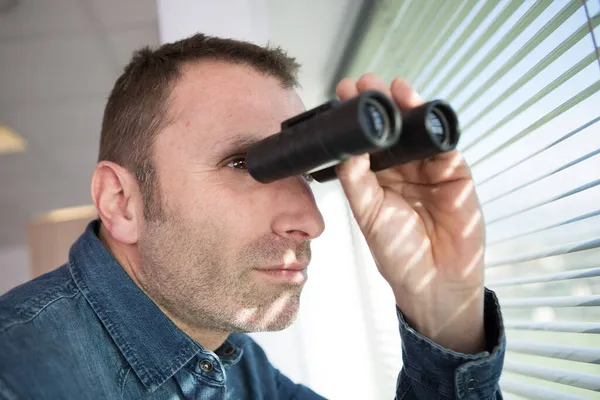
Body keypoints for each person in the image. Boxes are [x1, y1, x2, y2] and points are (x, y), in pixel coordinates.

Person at [0, 33, 505, 399]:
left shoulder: (236, 365)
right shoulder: (19, 375)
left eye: (306, 170)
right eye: (244, 163)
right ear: (121, 202)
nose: (311, 222)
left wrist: (446, 318)